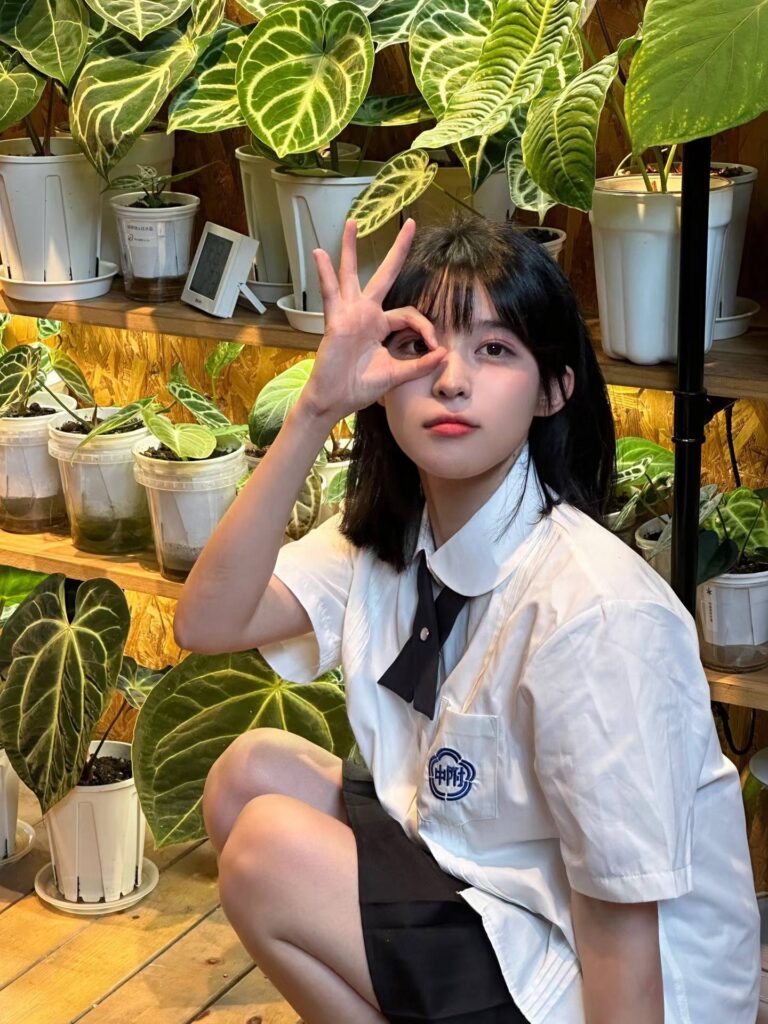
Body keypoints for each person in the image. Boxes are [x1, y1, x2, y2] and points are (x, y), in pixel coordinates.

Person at [173, 216, 760, 1024]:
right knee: (248, 776)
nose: (451, 380)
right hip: (477, 882)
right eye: (418, 348)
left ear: (554, 389)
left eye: (494, 349)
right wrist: (315, 408)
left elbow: (622, 921)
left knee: (268, 851)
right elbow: (206, 623)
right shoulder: (391, 538)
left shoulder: (596, 611)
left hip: (598, 976)